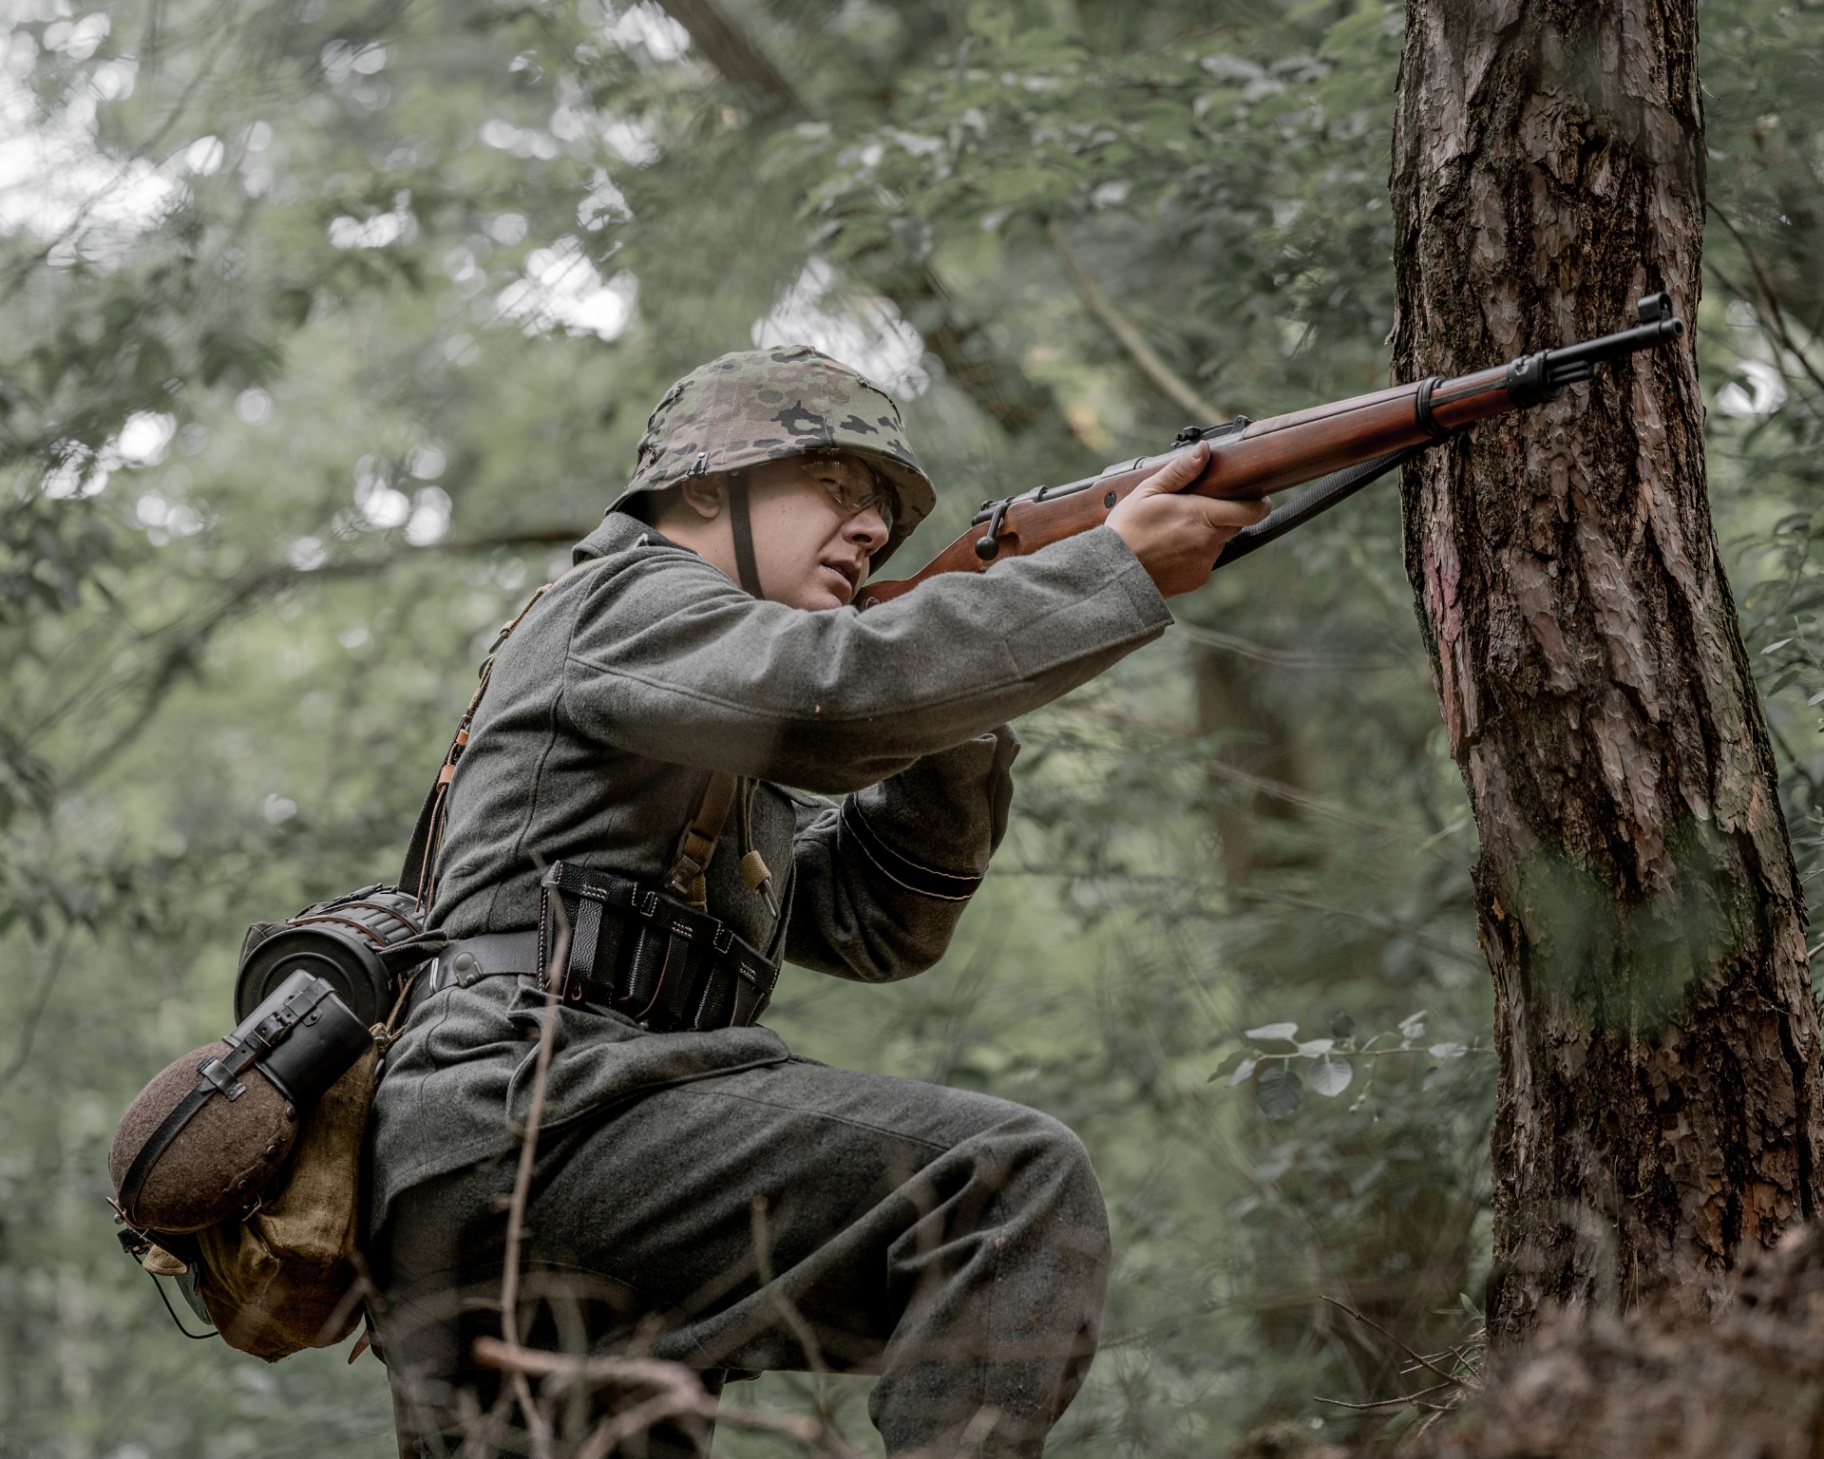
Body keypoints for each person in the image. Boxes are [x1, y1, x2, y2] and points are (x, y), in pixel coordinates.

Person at [368, 344, 1267, 1458]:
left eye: (881, 511)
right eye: (835, 487)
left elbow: (875, 924)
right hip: (538, 1112)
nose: (871, 528)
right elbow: (835, 694)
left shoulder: (706, 709)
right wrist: (1106, 574)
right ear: (708, 487)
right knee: (1001, 1185)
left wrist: (959, 712)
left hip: (518, 1152)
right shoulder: (630, 600)